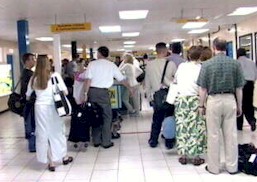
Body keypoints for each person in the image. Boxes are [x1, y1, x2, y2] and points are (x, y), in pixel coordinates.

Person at [197, 38, 245, 174]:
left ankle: (214, 168)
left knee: (213, 135)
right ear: (226, 48)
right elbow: (239, 88)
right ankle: (232, 167)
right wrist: (239, 105)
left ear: (214, 47)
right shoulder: (235, 64)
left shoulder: (207, 65)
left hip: (213, 100)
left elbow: (203, 89)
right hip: (230, 99)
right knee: (231, 135)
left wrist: (201, 105)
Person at [26, 55, 73, 172]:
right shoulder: (55, 76)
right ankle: (64, 157)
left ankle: (51, 162)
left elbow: (27, 95)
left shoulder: (33, 78)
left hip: (40, 108)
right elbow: (65, 92)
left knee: (43, 133)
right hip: (54, 107)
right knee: (58, 132)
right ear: (48, 64)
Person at [82, 46, 130, 149]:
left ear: (98, 54)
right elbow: (121, 79)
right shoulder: (111, 65)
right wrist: (130, 88)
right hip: (103, 93)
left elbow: (88, 80)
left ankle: (96, 140)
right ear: (107, 54)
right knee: (106, 117)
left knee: (94, 115)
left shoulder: (91, 64)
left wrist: (85, 94)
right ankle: (106, 141)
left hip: (92, 92)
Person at [174, 46, 207, 165]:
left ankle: (183, 155)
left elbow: (175, 81)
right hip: (194, 100)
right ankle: (196, 157)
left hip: (181, 99)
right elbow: (202, 87)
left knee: (182, 126)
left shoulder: (182, 66)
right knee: (196, 127)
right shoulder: (200, 68)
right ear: (200, 56)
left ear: (188, 55)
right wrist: (202, 105)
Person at [145, 42, 177, 148]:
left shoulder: (149, 65)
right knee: (169, 117)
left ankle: (153, 140)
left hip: (157, 95)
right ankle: (169, 141)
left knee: (157, 118)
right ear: (164, 51)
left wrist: (149, 96)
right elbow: (176, 80)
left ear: (157, 51)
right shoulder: (171, 64)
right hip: (169, 94)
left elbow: (147, 82)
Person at [236, 48, 257, 131]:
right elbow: (255, 75)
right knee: (249, 104)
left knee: (239, 104)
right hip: (250, 85)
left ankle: (239, 125)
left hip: (240, 85)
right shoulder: (252, 62)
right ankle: (252, 120)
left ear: (238, 54)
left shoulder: (236, 63)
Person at [21, 53, 36, 152]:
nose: (34, 61)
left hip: (28, 103)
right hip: (30, 103)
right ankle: (33, 146)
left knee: (29, 123)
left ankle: (32, 144)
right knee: (32, 124)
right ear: (27, 61)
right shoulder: (29, 74)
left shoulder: (25, 73)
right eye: (32, 59)